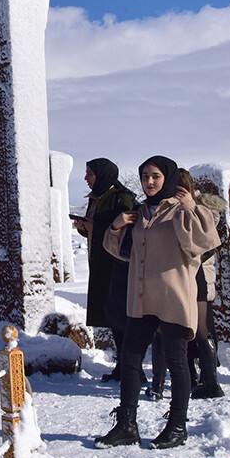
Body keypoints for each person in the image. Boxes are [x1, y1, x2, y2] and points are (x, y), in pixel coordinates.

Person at [96, 156, 219, 450]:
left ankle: (177, 426)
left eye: (155, 177)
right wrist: (116, 226)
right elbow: (120, 252)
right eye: (144, 177)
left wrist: (190, 206)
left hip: (173, 297)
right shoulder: (139, 212)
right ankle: (127, 425)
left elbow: (204, 243)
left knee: (177, 363)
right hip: (141, 297)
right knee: (129, 360)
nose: (149, 183)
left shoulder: (182, 210)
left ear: (169, 178)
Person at [73, 159, 137, 382]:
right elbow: (96, 229)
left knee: (122, 317)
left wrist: (95, 227)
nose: (86, 178)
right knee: (112, 317)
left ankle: (132, 368)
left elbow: (126, 232)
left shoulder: (122, 198)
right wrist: (85, 229)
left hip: (117, 266)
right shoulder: (97, 197)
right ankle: (123, 365)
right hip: (100, 266)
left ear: (102, 175)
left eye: (89, 173)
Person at [177, 169, 227, 399]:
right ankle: (192, 377)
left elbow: (207, 244)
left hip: (196, 275)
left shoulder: (200, 210)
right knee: (184, 329)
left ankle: (211, 380)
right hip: (183, 275)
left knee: (200, 330)